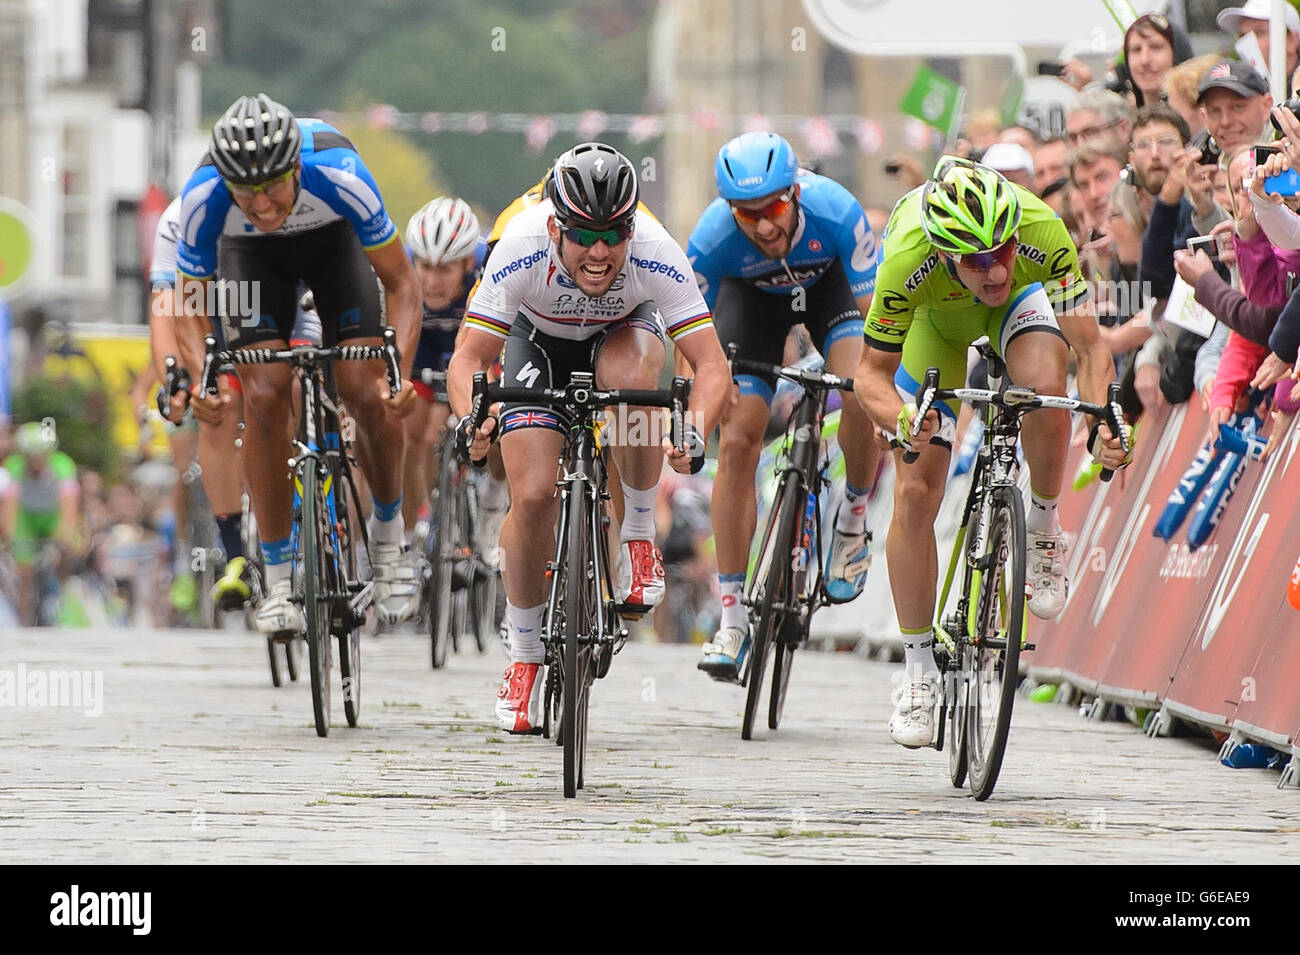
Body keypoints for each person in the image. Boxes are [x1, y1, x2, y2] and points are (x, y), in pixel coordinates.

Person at [447, 142, 730, 734]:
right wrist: (473, 420)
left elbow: (710, 364)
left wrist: (694, 430)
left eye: (613, 235)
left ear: (631, 225)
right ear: (556, 227)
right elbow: (469, 356)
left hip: (624, 334)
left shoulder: (655, 250)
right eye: (582, 235)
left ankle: (636, 534)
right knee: (531, 497)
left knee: (631, 378)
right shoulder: (520, 244)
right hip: (538, 341)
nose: (600, 252)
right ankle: (524, 657)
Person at [853, 157, 1131, 748]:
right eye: (977, 260)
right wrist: (903, 418)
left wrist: (1109, 418)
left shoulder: (1040, 230)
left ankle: (1043, 525)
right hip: (937, 324)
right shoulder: (906, 256)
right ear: (947, 254)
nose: (995, 268)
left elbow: (1090, 349)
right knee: (916, 489)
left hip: (1020, 315)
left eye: (1002, 251)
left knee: (1046, 387)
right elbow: (869, 378)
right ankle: (918, 672)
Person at [172, 93, 422, 633]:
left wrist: (397, 369)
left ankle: (387, 540)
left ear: (296, 168)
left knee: (365, 387)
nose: (261, 206)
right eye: (246, 193)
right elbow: (187, 304)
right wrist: (202, 379)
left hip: (335, 248)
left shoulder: (342, 172)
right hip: (250, 263)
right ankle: (280, 581)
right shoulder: (204, 195)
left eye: (271, 188)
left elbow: (403, 285)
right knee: (263, 393)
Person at [686, 131, 881, 682]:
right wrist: (695, 402)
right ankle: (731, 619)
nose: (764, 225)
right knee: (741, 433)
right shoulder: (712, 238)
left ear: (794, 192)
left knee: (861, 387)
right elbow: (687, 334)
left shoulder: (836, 211)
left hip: (832, 293)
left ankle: (853, 520)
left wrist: (892, 390)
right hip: (751, 307)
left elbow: (881, 323)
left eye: (773, 207)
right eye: (746, 215)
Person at [147, 194, 257, 610]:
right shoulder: (178, 219)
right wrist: (172, 378)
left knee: (285, 391)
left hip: (267, 295)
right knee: (214, 411)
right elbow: (164, 307)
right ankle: (228, 552)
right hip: (202, 322)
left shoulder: (274, 209)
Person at [401, 197, 489, 538]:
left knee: (447, 422)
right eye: (425, 267)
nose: (432, 281)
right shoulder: (402, 267)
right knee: (414, 435)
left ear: (467, 264)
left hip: (470, 343)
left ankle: (481, 495)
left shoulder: (486, 269)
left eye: (444, 270)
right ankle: (417, 521)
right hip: (423, 343)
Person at [2, 423, 80, 625]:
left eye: (39, 456)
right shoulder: (14, 465)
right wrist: (10, 535)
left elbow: (68, 505)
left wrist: (64, 535)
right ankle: (24, 616)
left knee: (66, 549)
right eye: (30, 456)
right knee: (24, 570)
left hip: (52, 516)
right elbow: (10, 505)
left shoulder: (63, 465)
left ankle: (62, 593)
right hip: (26, 517)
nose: (34, 461)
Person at [1198, 60, 1273, 155]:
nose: (1226, 122)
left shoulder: (1291, 158)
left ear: (1265, 106)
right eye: (1215, 111)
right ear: (1204, 118)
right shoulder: (1202, 164)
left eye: (1237, 107)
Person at [1119, 13, 1193, 109]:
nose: (1144, 60)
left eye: (1155, 47)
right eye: (1136, 49)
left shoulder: (1206, 120)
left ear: (1177, 53)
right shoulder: (1125, 122)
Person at [1218, 0, 1300, 81]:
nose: (1248, 43)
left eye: (1260, 32)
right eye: (1242, 35)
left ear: (1292, 41)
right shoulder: (1242, 88)